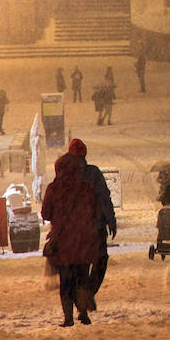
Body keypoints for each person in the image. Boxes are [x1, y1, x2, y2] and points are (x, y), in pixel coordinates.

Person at [41, 152, 99, 326]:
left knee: (66, 281)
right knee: (82, 277)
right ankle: (83, 313)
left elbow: (45, 213)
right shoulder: (87, 187)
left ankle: (68, 318)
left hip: (63, 242)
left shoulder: (53, 189)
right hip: (84, 241)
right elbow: (96, 210)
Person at [67, 138, 116, 296]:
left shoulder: (64, 175)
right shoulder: (94, 173)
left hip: (74, 230)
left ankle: (81, 296)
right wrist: (111, 220)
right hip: (96, 227)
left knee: (80, 264)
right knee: (100, 261)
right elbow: (104, 198)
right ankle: (88, 293)